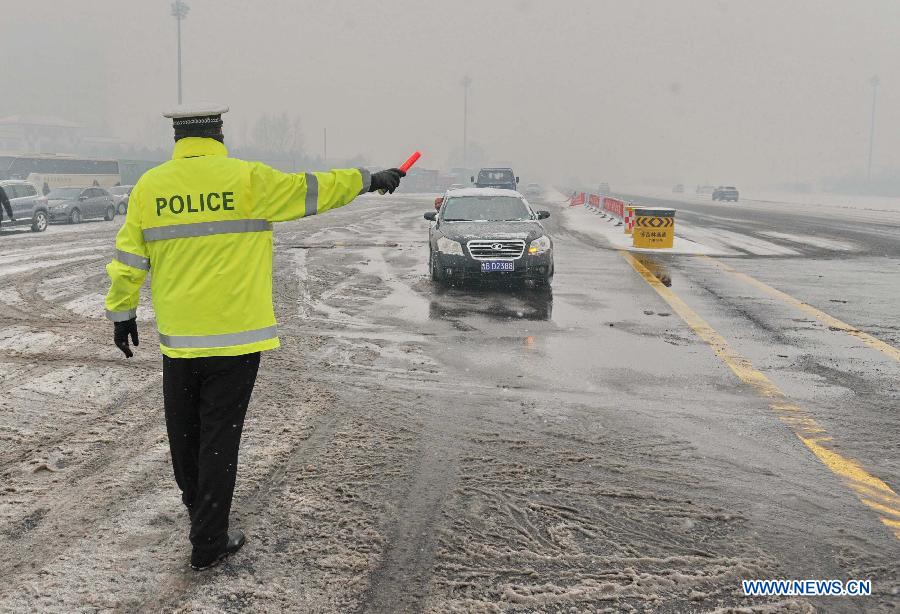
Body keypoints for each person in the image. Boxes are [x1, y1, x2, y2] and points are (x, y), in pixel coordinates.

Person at [104, 103, 405, 570]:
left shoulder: (150, 187)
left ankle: (197, 511)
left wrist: (122, 314)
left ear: (178, 138)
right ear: (218, 133)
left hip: (181, 339)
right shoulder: (248, 179)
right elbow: (316, 188)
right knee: (220, 437)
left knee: (185, 434)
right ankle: (208, 540)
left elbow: (129, 256)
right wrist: (369, 178)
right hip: (237, 340)